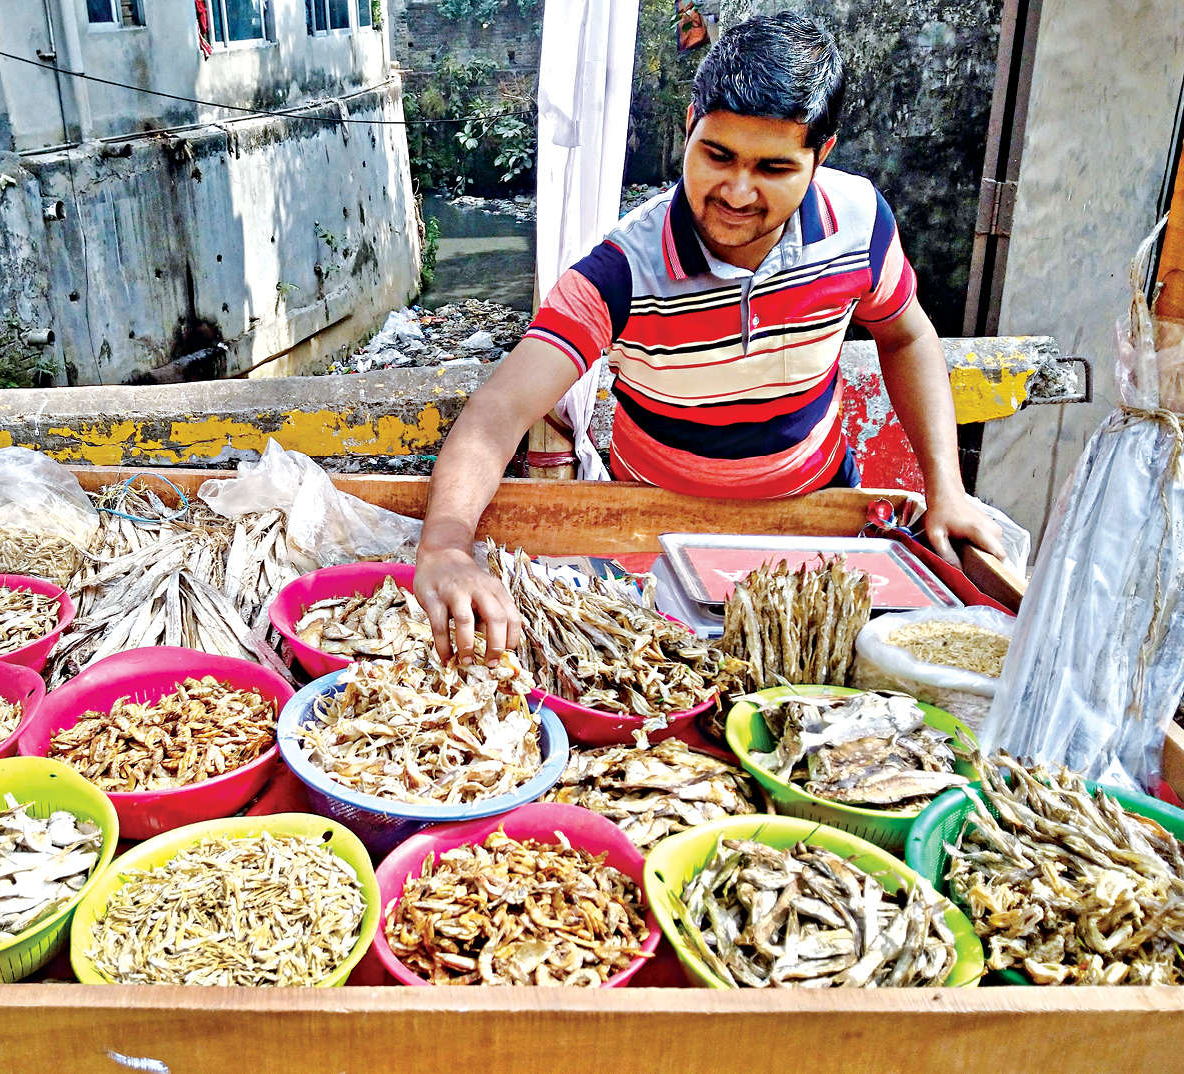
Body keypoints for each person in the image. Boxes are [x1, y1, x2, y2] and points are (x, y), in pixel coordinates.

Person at [414, 11, 1006, 664]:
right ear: (690, 124)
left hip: (814, 518)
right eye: (717, 155)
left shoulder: (858, 223)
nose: (737, 191)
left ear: (821, 154)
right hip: (654, 538)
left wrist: (946, 489)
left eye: (773, 167)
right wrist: (445, 546)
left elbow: (906, 337)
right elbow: (500, 409)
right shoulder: (623, 270)